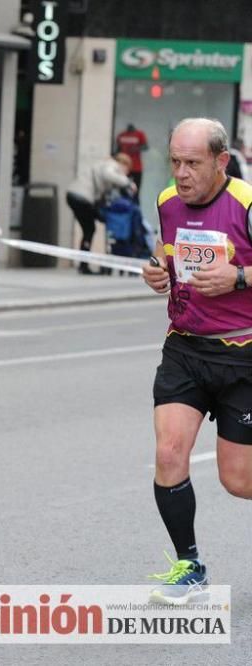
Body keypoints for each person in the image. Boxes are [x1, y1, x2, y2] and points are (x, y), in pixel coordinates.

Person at [141, 118, 252, 604]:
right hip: (185, 346)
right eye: (175, 162)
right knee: (168, 454)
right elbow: (167, 253)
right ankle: (190, 566)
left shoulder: (247, 205)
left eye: (193, 163)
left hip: (245, 355)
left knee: (238, 479)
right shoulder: (167, 202)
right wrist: (156, 272)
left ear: (221, 161)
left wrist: (241, 277)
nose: (181, 174)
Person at [66, 153, 135, 274]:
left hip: (73, 196)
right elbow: (108, 175)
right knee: (92, 227)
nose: (126, 172)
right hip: (82, 198)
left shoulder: (103, 164)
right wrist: (128, 183)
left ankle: (83, 264)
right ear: (123, 164)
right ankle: (83, 265)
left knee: (89, 230)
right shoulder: (112, 165)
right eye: (127, 169)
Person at [115, 122, 148, 195]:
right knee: (122, 190)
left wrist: (136, 148)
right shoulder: (121, 135)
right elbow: (118, 149)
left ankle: (134, 204)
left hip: (136, 167)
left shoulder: (139, 134)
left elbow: (145, 146)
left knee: (136, 190)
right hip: (123, 167)